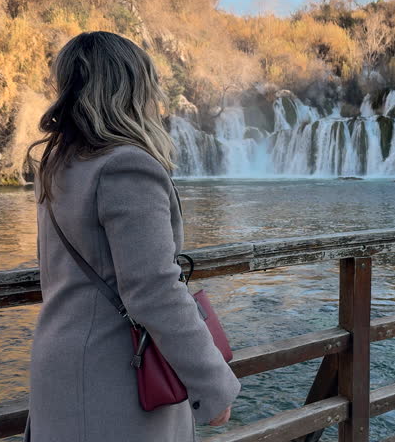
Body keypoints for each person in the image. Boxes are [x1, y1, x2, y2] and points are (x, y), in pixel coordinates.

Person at [24, 31, 239, 441]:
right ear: (132, 89)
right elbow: (155, 290)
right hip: (118, 377)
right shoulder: (127, 168)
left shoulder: (57, 166)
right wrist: (213, 384)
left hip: (59, 363)